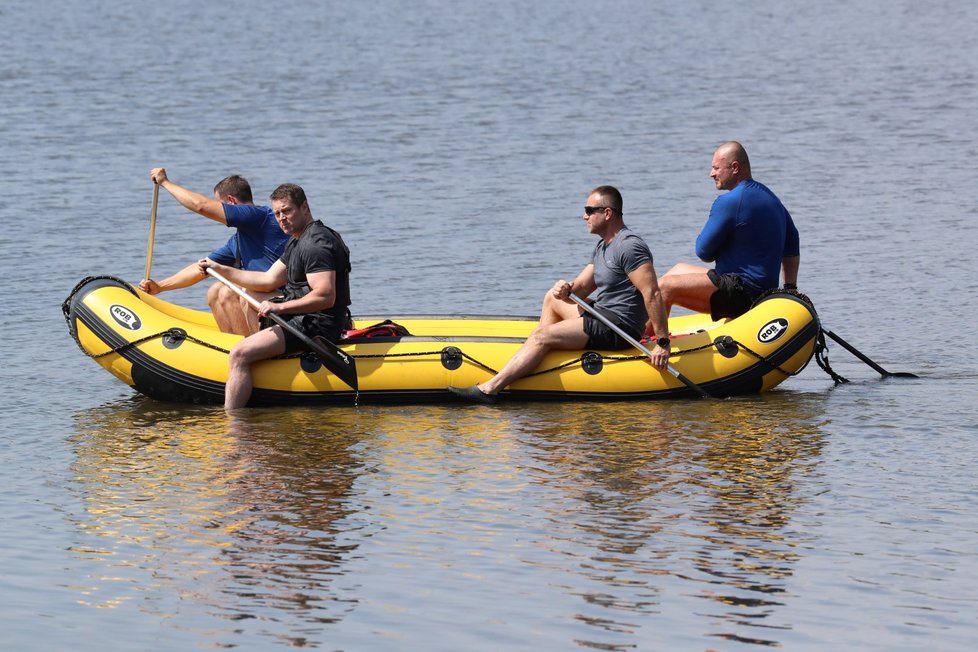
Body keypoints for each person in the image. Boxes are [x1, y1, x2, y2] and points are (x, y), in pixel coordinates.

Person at [449, 185, 670, 404]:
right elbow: (581, 288)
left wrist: (662, 342)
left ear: (607, 213)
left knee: (541, 336)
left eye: (589, 210)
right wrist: (565, 289)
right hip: (603, 315)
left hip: (620, 327)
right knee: (552, 298)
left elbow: (652, 293)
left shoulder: (630, 246)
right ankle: (535, 354)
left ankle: (490, 390)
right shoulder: (603, 247)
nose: (584, 216)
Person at [199, 183, 352, 410]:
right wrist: (220, 269)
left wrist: (280, 308)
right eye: (278, 213)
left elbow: (325, 297)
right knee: (248, 295)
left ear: (305, 207)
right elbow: (267, 280)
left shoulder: (315, 244)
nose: (282, 218)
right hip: (302, 317)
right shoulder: (297, 241)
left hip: (317, 324)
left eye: (287, 211)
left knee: (239, 353)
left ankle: (233, 423)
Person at [658, 141, 800, 321]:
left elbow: (703, 252)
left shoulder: (728, 202)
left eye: (716, 168)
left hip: (740, 293)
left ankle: (653, 342)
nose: (711, 173)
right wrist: (790, 287)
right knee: (677, 270)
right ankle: (643, 326)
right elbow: (793, 242)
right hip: (762, 290)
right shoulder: (771, 198)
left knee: (664, 287)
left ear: (734, 167)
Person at [139, 168, 291, 335]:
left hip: (289, 301)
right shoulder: (237, 240)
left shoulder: (259, 217)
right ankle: (236, 348)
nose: (218, 211)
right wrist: (160, 286)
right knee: (215, 291)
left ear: (231, 201)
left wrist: (165, 183)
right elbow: (202, 269)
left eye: (219, 205)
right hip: (266, 300)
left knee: (228, 292)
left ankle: (256, 349)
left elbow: (201, 206)